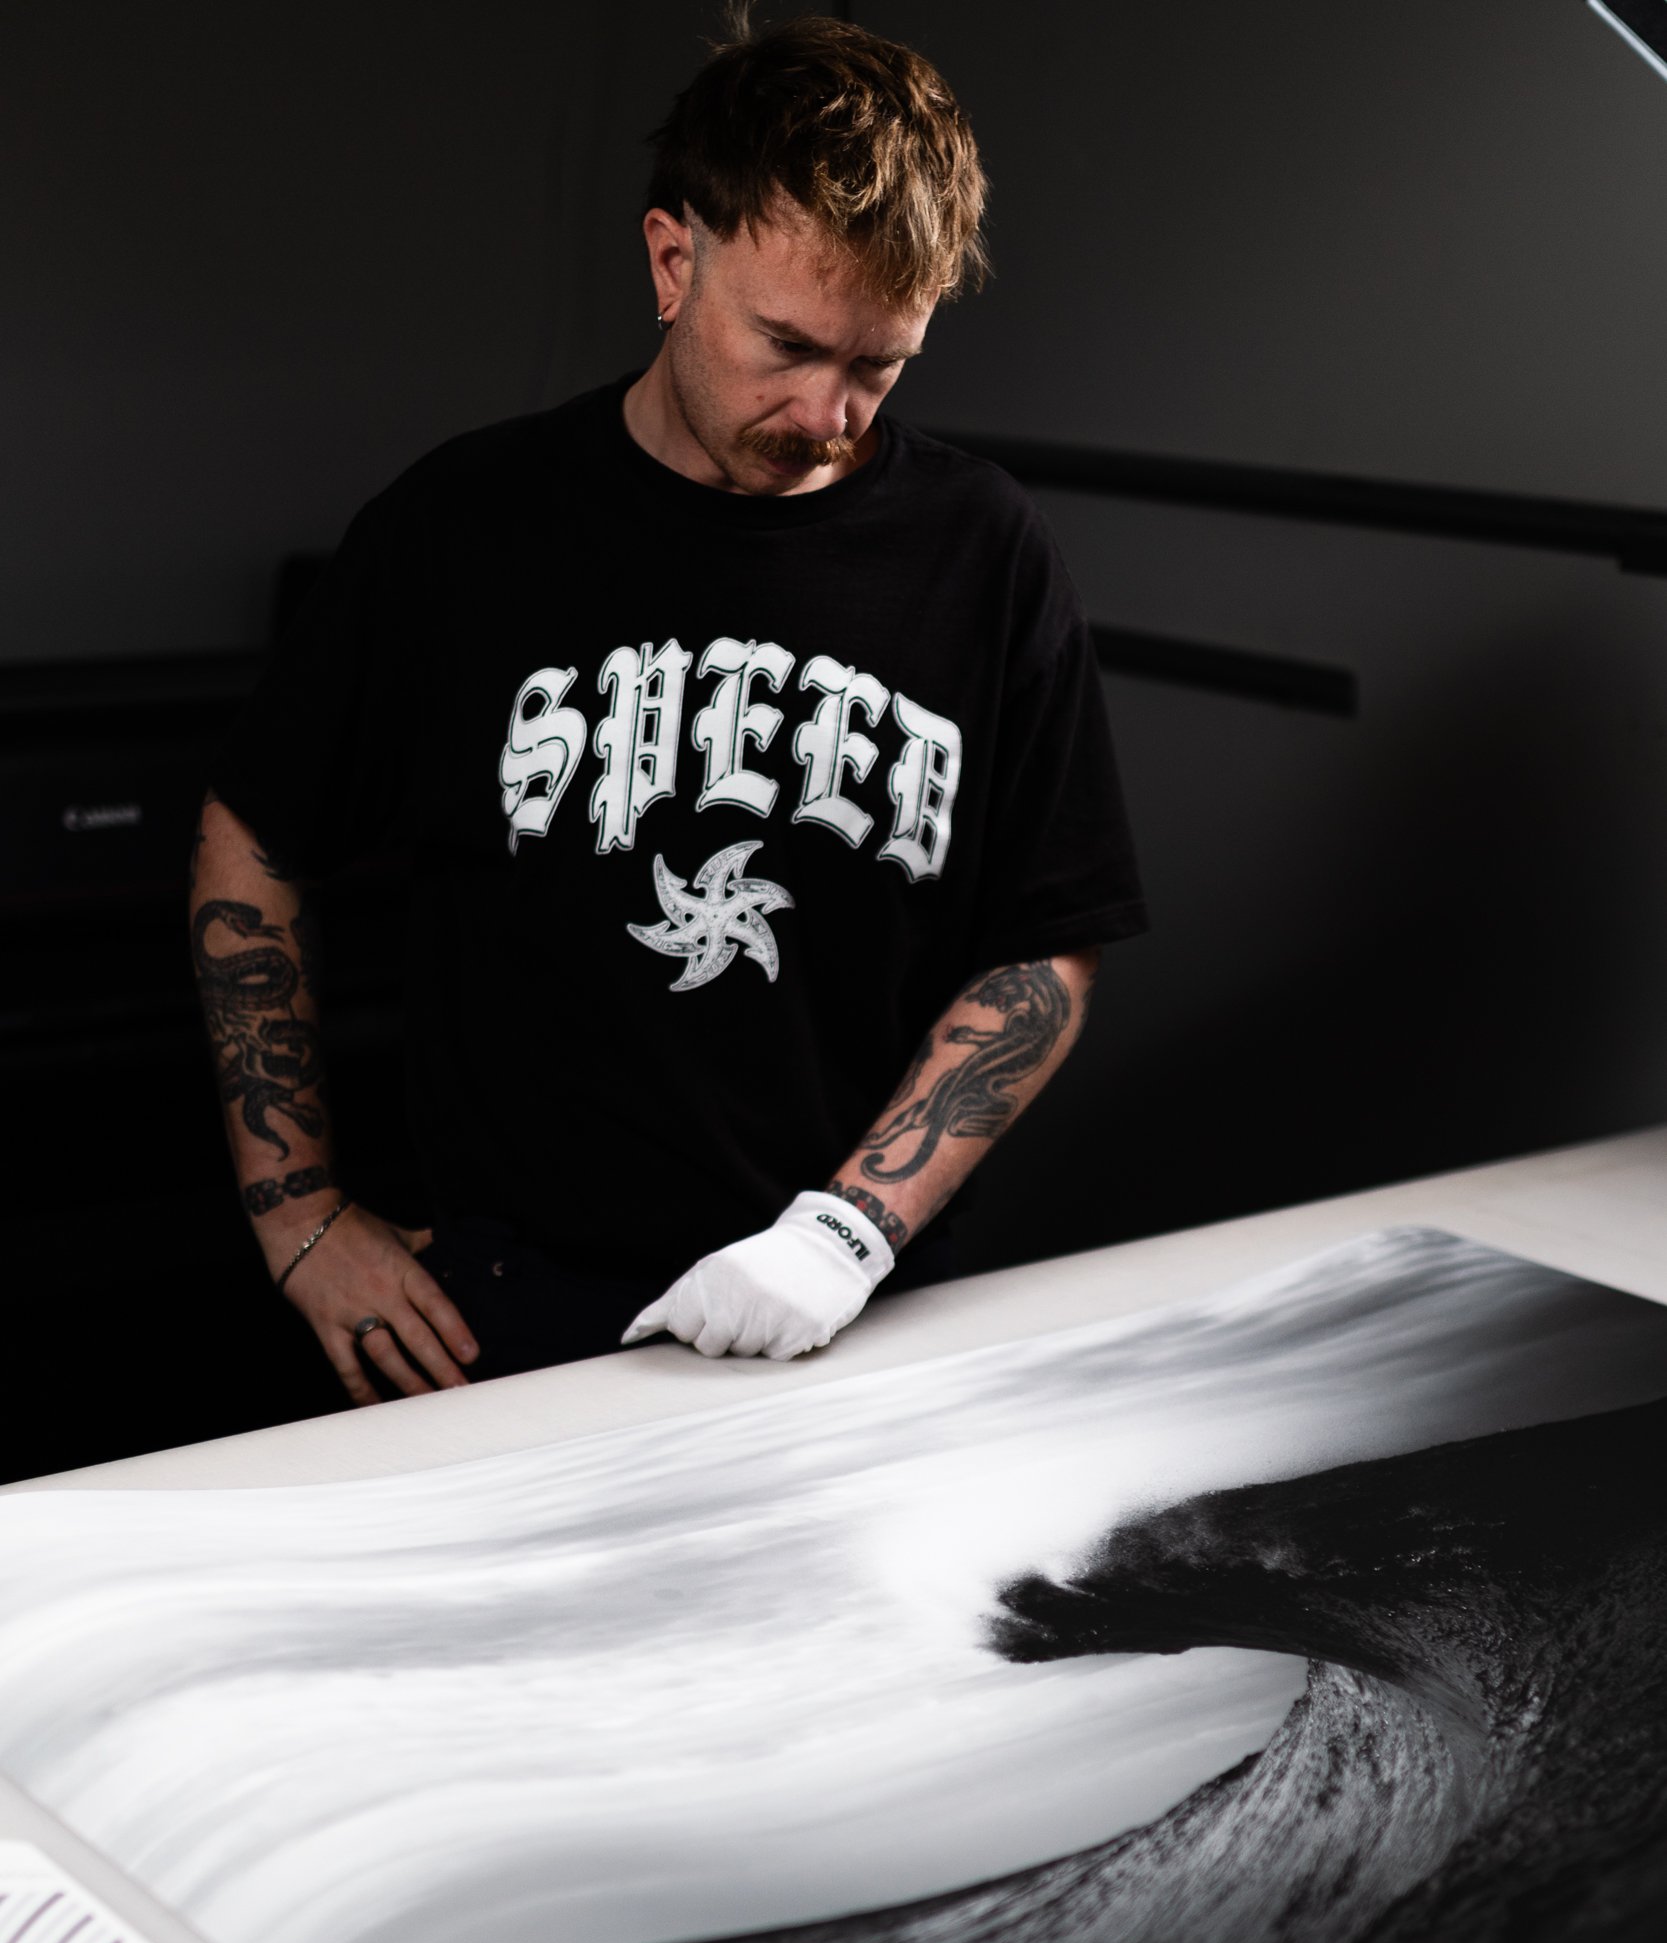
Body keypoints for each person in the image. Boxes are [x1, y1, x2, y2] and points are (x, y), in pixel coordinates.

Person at [191, 9, 1146, 1408]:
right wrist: (296, 1213)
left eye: (879, 365)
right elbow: (252, 841)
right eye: (787, 345)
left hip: (858, 1304)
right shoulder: (468, 523)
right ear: (670, 260)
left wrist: (848, 1230)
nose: (828, 414)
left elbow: (1044, 948)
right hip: (508, 1310)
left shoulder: (983, 549)